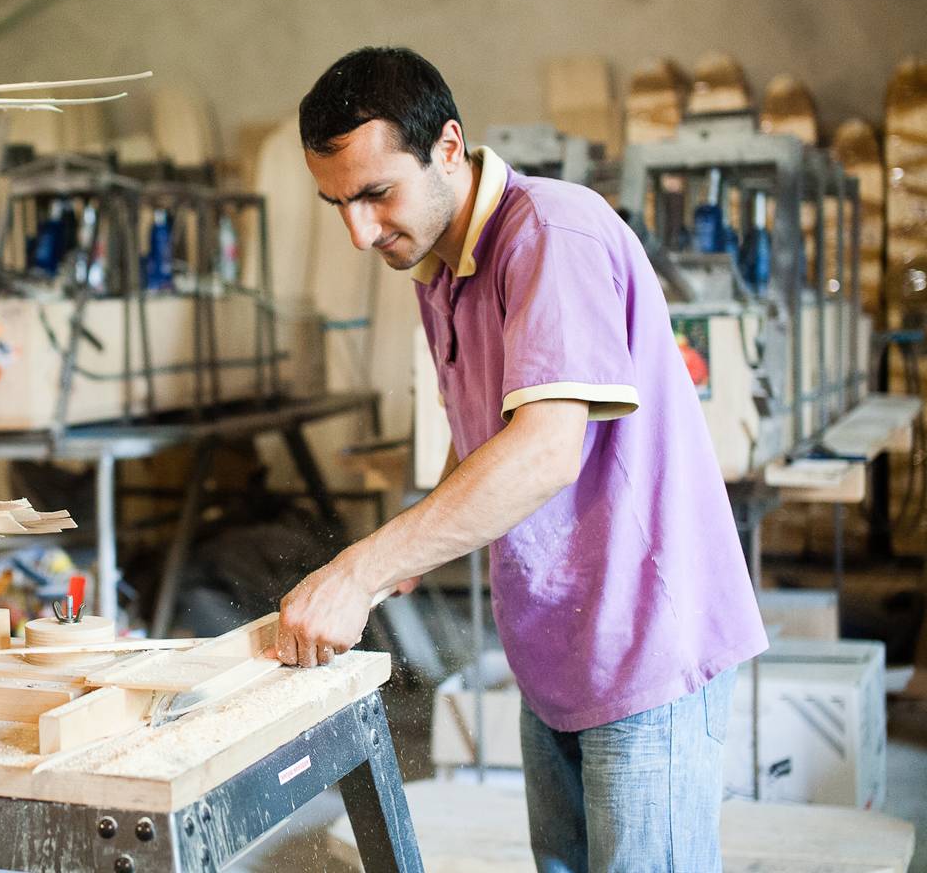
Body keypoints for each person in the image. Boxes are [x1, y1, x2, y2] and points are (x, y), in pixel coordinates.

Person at [273, 46, 767, 872]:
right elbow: (482, 443)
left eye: (374, 194)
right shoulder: (438, 269)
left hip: (645, 637)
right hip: (558, 649)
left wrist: (359, 572)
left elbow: (543, 452)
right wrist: (407, 552)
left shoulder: (550, 234)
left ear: (448, 148)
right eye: (338, 206)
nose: (360, 232)